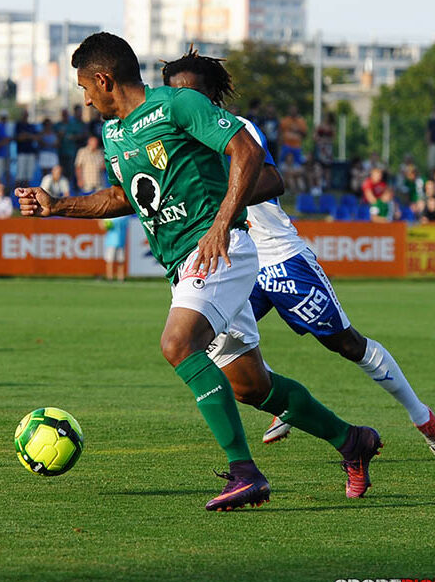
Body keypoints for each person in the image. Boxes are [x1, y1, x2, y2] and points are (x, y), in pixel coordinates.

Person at [17, 32, 380, 511]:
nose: (84, 98)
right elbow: (124, 195)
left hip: (220, 250)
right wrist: (57, 205)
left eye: (85, 87)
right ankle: (351, 440)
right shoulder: (115, 133)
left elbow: (247, 150)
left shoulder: (177, 106)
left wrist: (221, 224)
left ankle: (244, 473)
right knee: (252, 387)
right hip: (186, 262)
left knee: (176, 344)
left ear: (104, 80)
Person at [160, 50, 434, 456]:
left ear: (210, 94)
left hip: (278, 259)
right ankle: (285, 404)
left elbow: (272, 181)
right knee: (219, 355)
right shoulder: (171, 140)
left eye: (190, 91)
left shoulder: (237, 130)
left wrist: (215, 202)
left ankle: (423, 418)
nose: (184, 101)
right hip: (233, 264)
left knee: (346, 343)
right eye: (174, 93)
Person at [55, 106, 87, 183]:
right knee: (61, 170)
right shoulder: (58, 125)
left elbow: (80, 135)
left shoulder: (72, 124)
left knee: (70, 171)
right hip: (60, 151)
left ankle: (69, 187)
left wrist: (73, 137)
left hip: (71, 151)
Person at [14, 109, 38, 187]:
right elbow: (18, 137)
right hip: (22, 152)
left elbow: (35, 137)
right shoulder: (18, 125)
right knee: (20, 175)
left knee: (28, 176)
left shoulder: (31, 126)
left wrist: (27, 135)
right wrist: (28, 136)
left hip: (30, 152)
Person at [279, 104, 308, 170]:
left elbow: (305, 134)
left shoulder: (301, 121)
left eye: (294, 109)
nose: (293, 111)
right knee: (283, 166)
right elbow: (280, 132)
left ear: (297, 110)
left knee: (297, 166)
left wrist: (298, 130)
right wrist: (280, 143)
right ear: (289, 110)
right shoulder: (284, 120)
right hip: (286, 146)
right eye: (291, 109)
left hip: (296, 147)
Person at [102, 216, 128, 281]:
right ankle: (110, 277)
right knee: (110, 261)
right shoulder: (109, 217)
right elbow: (103, 226)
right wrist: (105, 224)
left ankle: (120, 278)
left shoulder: (124, 217)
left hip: (121, 242)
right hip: (111, 242)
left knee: (121, 261)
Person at [427, 106, 435, 174]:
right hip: (433, 143)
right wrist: (428, 141)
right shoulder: (432, 120)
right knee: (432, 163)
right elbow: (428, 131)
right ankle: (432, 176)